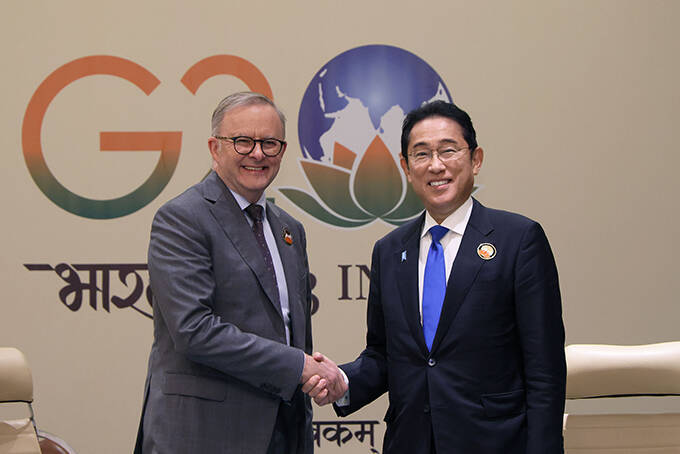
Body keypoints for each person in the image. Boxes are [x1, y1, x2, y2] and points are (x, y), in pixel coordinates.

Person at [308, 100, 566, 453]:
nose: (436, 165)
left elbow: (544, 368)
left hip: (496, 443)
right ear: (406, 167)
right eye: (421, 154)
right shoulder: (389, 251)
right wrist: (343, 380)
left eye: (448, 150)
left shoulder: (518, 240)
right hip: (410, 442)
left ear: (475, 159)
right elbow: (384, 354)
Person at [134, 92, 346, 454]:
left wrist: (309, 374)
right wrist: (299, 366)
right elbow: (194, 330)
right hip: (204, 436)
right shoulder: (182, 218)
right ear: (215, 148)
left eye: (269, 143)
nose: (258, 154)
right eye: (243, 141)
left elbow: (293, 335)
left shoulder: (288, 229)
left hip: (283, 431)